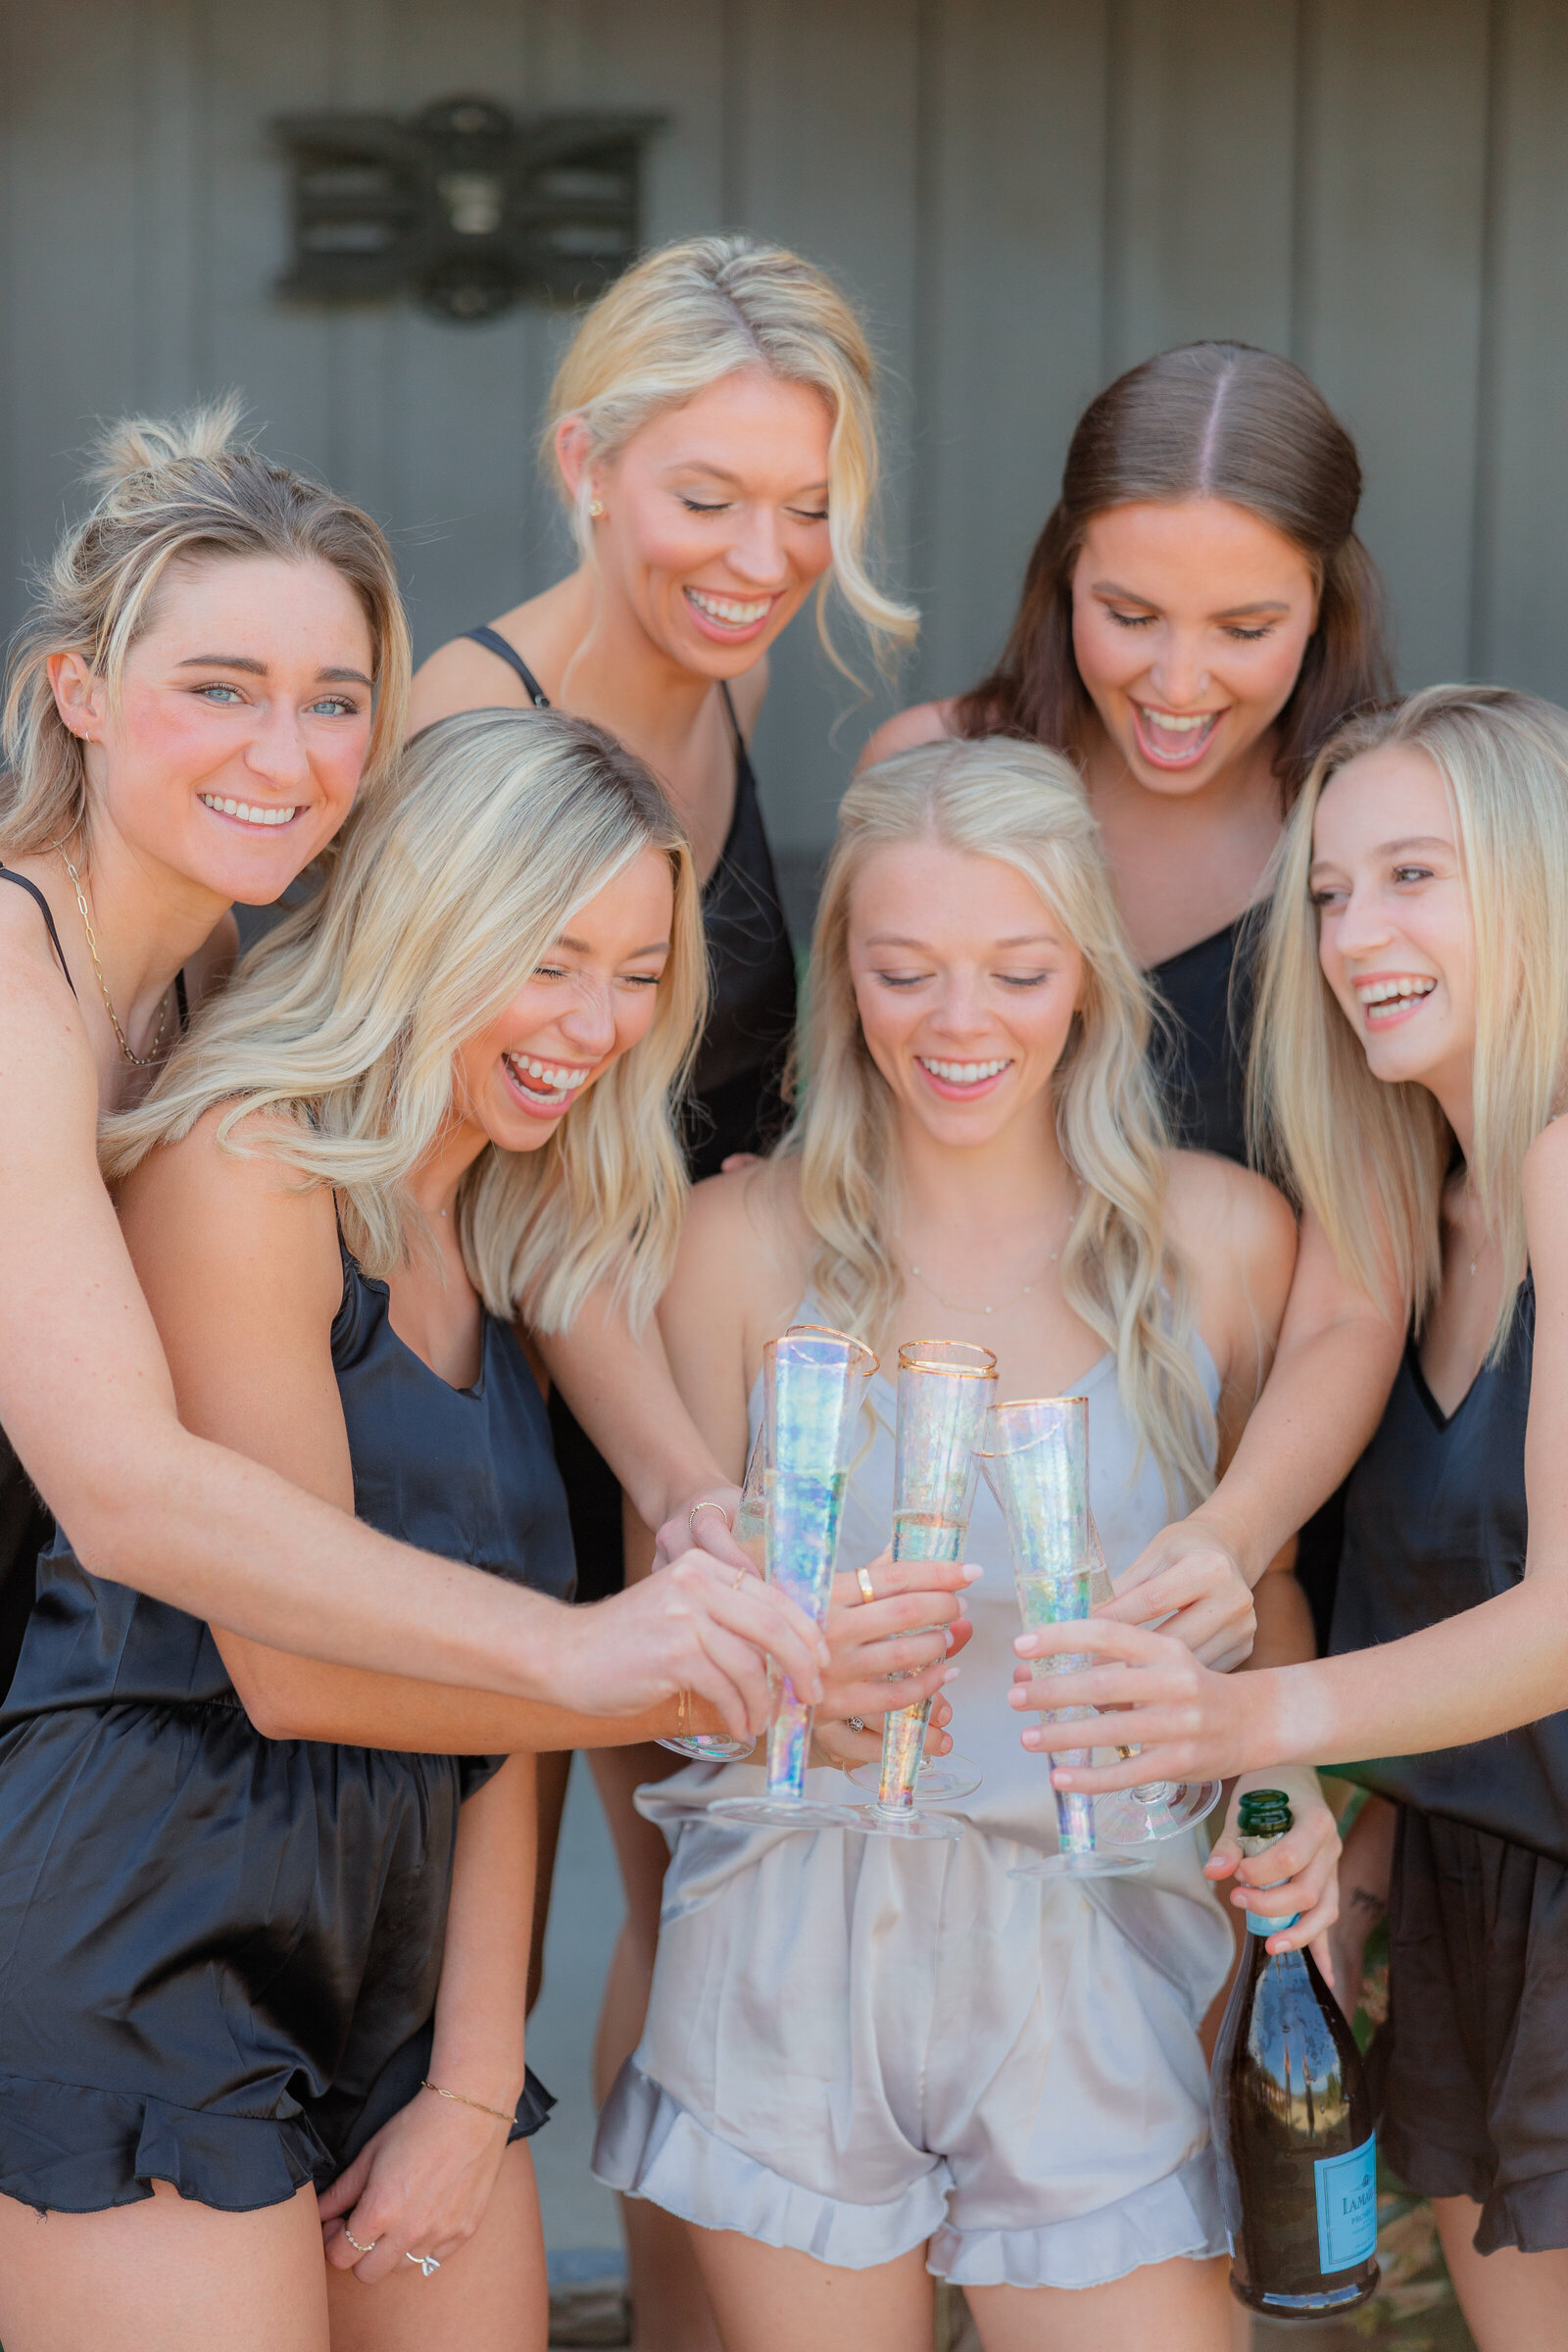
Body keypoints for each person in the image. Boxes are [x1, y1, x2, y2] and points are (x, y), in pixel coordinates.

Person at [0, 704, 967, 2352]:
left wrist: (464, 2077)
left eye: (639, 973)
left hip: (399, 1964)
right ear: (427, 924)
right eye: (546, 957)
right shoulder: (250, 1170)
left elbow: (514, 1695)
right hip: (147, 1935)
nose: (593, 1021)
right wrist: (707, 1679)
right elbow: (297, 1673)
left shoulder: (511, 1216)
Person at [595, 737, 1340, 2352]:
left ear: (1088, 967)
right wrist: (773, 1694)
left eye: (1016, 969)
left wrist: (1286, 1822)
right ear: (836, 975)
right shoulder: (728, 1245)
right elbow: (648, 1633)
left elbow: (1263, 1599)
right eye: (905, 971)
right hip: (791, 1935)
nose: (960, 1024)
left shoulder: (1221, 1243)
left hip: (1104, 1938)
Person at [0, 403, 836, 1740]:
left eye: (333, 703)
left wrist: (687, 1497)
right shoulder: (14, 994)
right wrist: (573, 1655)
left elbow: (514, 1207)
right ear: (77, 690)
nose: (286, 757)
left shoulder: (209, 953)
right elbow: (127, 1494)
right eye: (219, 689)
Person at [411, 232, 919, 2344]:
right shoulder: (475, 719)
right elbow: (501, 1170)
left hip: (685, 1391)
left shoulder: (712, 688)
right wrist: (679, 1491)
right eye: (706, 497)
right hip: (511, 1403)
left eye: (805, 507)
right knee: (592, 1911)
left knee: (707, 1900)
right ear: (584, 466)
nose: (760, 554)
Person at [1018, 686, 1568, 2349]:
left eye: (1415, 877)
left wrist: (1243, 1715)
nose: (1354, 935)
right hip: (1490, 1908)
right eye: (1328, 892)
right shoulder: (1419, 1196)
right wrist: (1355, 1839)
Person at [860, 341, 1404, 1654]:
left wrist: (1229, 1541)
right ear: (1062, 579)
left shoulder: (1363, 833)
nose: (1175, 683)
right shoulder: (939, 771)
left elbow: (1356, 1296)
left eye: (1244, 630)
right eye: (1131, 614)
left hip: (1263, 1528)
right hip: (937, 1507)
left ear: (1326, 613)